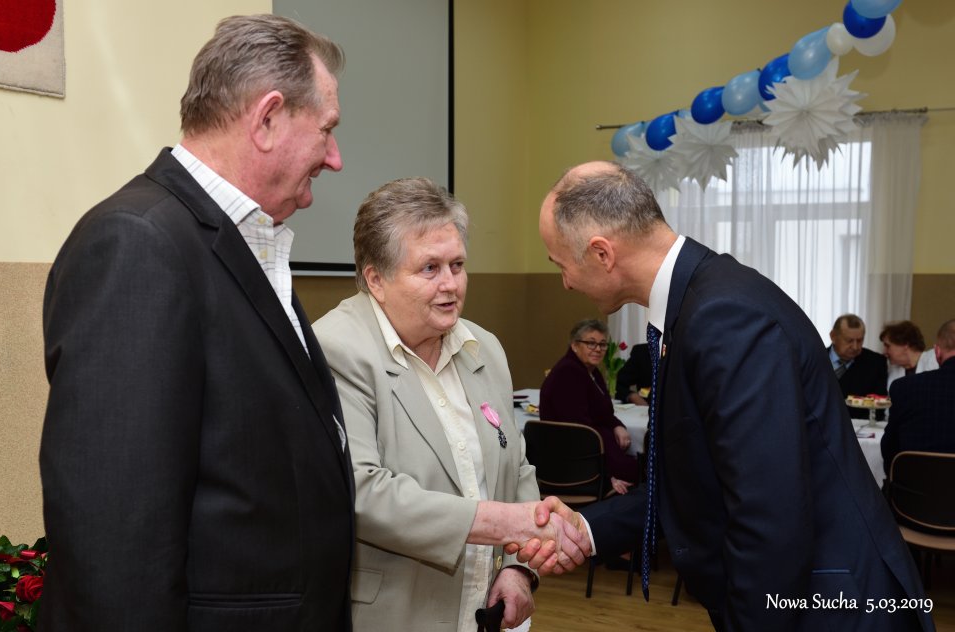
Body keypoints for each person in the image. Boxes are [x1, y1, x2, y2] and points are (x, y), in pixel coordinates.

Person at [40, 16, 355, 631]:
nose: (335, 158)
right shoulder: (138, 244)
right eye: (327, 130)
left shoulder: (242, 242)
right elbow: (115, 537)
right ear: (267, 119)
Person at [530, 161, 933, 631]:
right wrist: (586, 529)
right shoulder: (699, 301)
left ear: (601, 253)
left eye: (561, 265)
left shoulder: (722, 314)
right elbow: (693, 479)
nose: (566, 282)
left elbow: (770, 515)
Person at [311, 177, 590, 632]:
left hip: (486, 614)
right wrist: (506, 524)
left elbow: (516, 469)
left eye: (457, 265)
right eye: (430, 268)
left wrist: (518, 569)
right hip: (394, 617)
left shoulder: (484, 347)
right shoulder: (334, 350)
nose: (451, 285)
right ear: (376, 280)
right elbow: (362, 492)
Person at [539, 319, 640, 494]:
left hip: (595, 449)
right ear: (574, 345)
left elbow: (605, 412)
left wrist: (617, 425)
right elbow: (579, 432)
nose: (598, 349)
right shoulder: (568, 373)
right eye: (591, 343)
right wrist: (607, 476)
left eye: (602, 344)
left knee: (647, 468)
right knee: (645, 474)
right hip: (576, 461)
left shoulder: (591, 371)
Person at [881, 319, 955, 474]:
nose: (884, 352)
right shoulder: (895, 374)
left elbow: (889, 448)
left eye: (888, 346)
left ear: (937, 352)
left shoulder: (905, 386)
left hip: (914, 482)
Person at [828, 314, 888, 419]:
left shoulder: (876, 363)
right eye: (849, 341)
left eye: (860, 340)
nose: (855, 347)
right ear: (833, 336)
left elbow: (879, 408)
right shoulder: (815, 359)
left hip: (859, 425)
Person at [881, 320, 940, 390]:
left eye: (888, 346)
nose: (884, 352)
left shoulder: (935, 360)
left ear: (905, 344)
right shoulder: (892, 370)